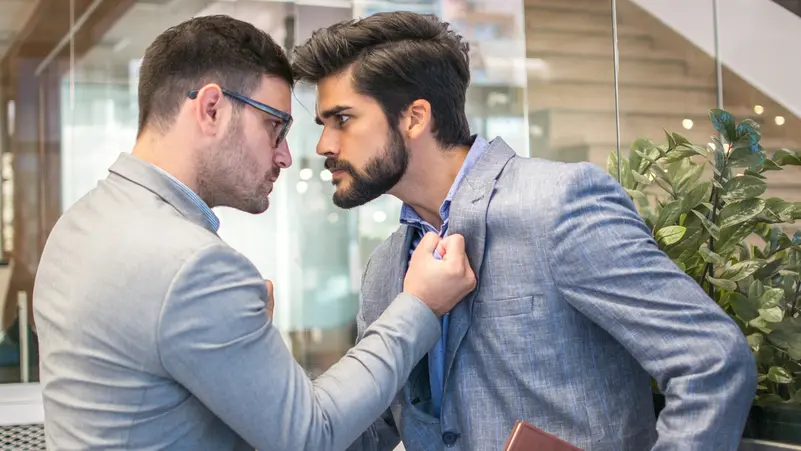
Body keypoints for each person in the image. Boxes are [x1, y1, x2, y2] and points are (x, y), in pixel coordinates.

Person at [292, 11, 758, 451]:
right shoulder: (386, 268)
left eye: (342, 119)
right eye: (322, 124)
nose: (324, 145)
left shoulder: (557, 204)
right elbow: (366, 431)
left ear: (415, 117)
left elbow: (710, 360)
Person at [32, 15, 477, 451]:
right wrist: (419, 306)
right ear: (211, 109)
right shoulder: (191, 265)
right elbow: (310, 436)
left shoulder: (80, 224)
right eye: (275, 126)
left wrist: (242, 352)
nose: (286, 156)